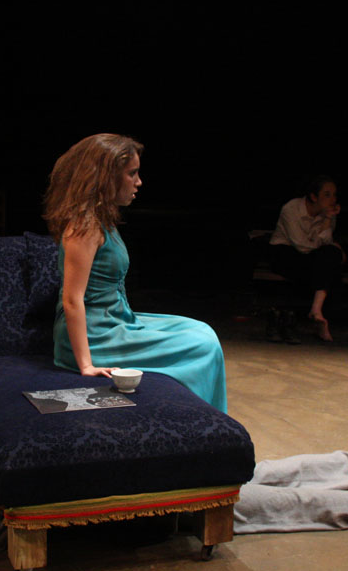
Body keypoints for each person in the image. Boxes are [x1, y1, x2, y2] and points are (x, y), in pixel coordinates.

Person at [0, 439, 348, 558]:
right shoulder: (10, 504)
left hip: (182, 493)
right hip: (182, 510)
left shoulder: (16, 481)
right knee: (299, 500)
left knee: (280, 479)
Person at [42, 133, 228, 413]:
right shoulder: (84, 226)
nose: (139, 182)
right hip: (96, 335)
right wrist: (86, 365)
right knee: (201, 345)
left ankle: (204, 422)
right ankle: (195, 420)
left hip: (117, 321)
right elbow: (71, 299)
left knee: (202, 331)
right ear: (106, 177)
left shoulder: (103, 219)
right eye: (132, 173)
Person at [268, 175, 345, 343]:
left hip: (309, 256)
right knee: (329, 263)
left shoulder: (328, 213)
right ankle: (289, 320)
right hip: (285, 253)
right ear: (313, 196)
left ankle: (316, 310)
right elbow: (302, 245)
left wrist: (328, 219)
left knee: (331, 255)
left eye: (334, 194)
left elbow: (325, 242)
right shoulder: (291, 209)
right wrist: (332, 247)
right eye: (327, 194)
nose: (333, 199)